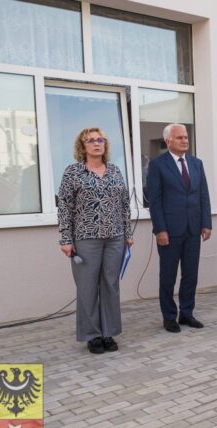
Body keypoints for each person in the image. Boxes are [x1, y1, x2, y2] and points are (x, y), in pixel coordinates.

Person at [58, 128, 133, 354]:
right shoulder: (73, 172)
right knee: (88, 288)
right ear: (83, 147)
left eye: (100, 140)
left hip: (115, 238)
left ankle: (108, 332)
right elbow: (64, 207)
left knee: (110, 285)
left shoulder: (115, 171)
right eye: (90, 141)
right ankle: (92, 335)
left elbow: (124, 205)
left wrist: (128, 234)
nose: (96, 144)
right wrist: (65, 238)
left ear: (105, 145)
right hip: (85, 239)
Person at [147, 124, 212, 333]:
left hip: (193, 229)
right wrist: (160, 230)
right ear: (168, 141)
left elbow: (203, 195)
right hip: (169, 231)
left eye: (186, 137)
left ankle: (186, 313)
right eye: (180, 138)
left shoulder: (196, 164)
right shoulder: (158, 165)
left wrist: (206, 223)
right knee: (168, 276)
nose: (185, 140)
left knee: (190, 275)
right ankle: (169, 317)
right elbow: (155, 201)